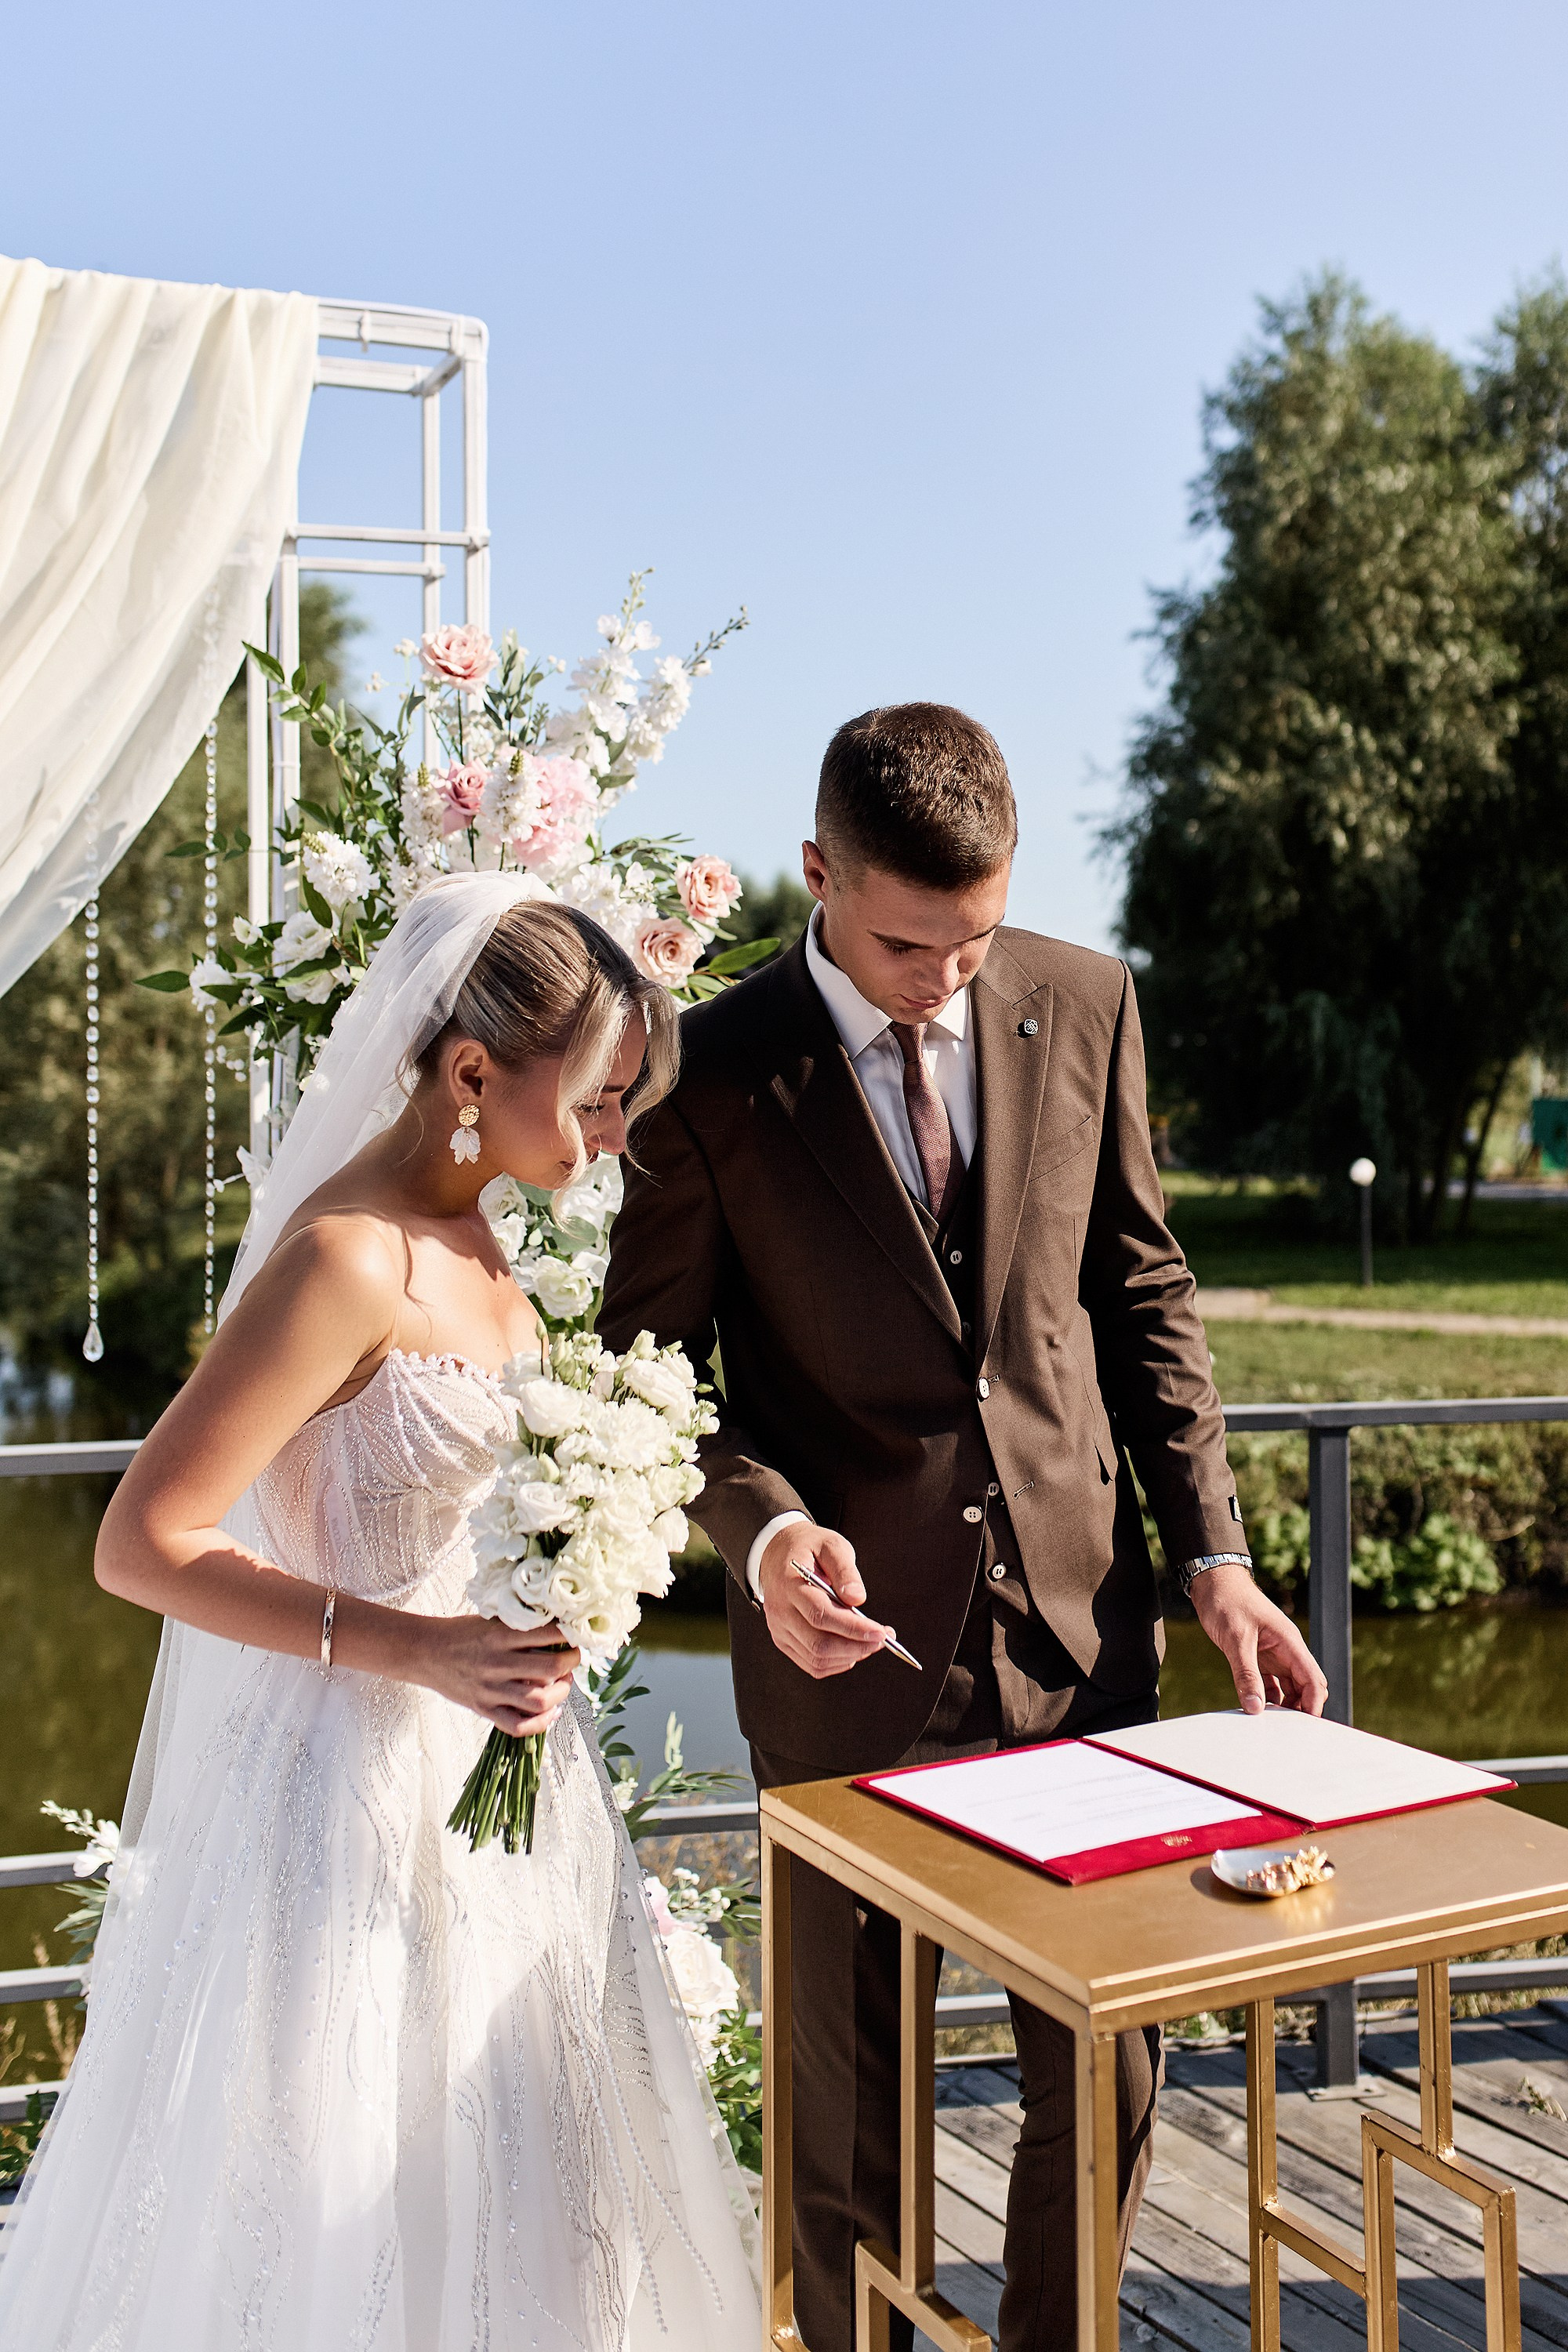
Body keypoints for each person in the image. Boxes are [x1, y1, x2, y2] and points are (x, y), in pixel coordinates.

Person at [599, 703, 1328, 2352]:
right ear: (817, 877)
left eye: (977, 934)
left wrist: (1211, 1553)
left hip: (1083, 1636)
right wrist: (765, 1531)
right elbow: (647, 1370)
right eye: (912, 941)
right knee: (851, 2099)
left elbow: (1140, 1292)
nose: (949, 975)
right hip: (847, 1659)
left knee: (1110, 2059)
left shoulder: (1082, 999)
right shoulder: (705, 1074)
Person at [0, 877, 760, 2351]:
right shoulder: (348, 1259)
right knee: (332, 2185)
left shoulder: (494, 1250)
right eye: (599, 1101)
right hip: (342, 1793)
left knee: (517, 2178)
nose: (616, 1137)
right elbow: (142, 1543)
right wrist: (417, 1646)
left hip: (496, 1786)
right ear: (472, 1072)